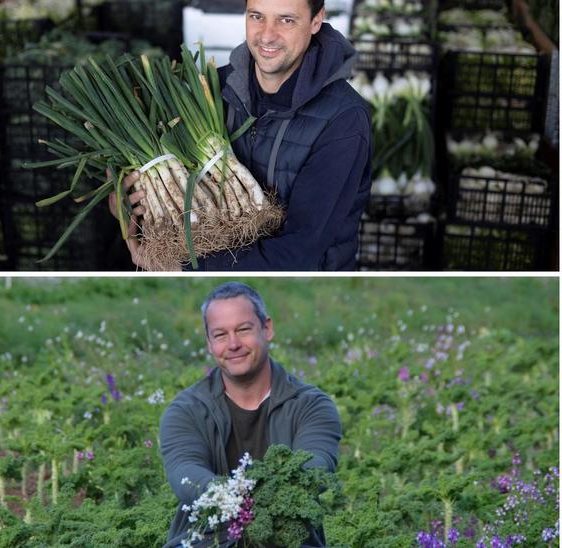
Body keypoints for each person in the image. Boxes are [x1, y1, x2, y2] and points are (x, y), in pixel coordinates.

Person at [111, 0, 372, 270]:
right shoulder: (210, 89)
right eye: (257, 16)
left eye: (286, 20)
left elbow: (299, 251)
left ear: (316, 21)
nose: (267, 35)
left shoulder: (344, 120)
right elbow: (170, 183)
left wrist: (185, 268)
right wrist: (129, 206)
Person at [159, 282, 341, 546]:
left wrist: (248, 499)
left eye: (243, 330)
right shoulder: (185, 410)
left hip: (287, 540)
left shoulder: (312, 405)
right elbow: (185, 475)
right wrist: (238, 500)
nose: (233, 344)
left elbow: (316, 469)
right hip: (207, 540)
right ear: (209, 343)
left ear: (267, 328)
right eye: (220, 335)